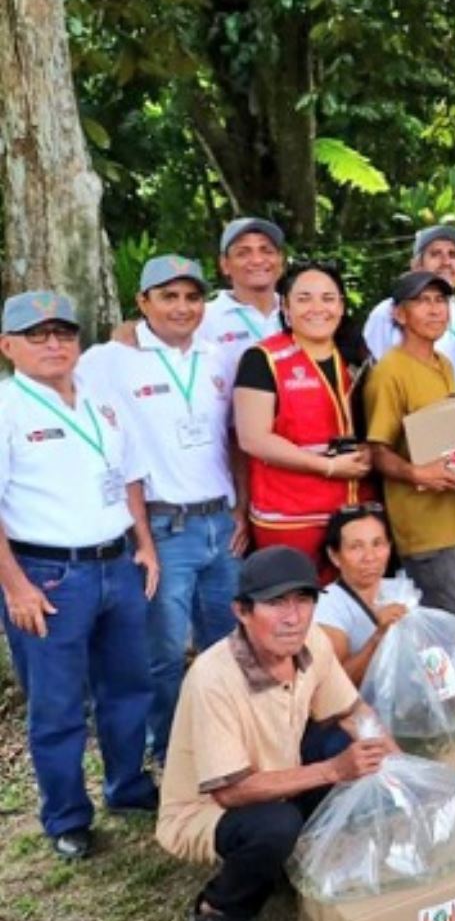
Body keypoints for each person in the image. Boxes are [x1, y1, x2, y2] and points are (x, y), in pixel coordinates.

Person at [156, 546, 396, 921]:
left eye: (303, 600)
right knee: (277, 823)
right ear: (242, 612)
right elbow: (231, 791)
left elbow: (352, 712)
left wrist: (405, 769)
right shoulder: (213, 679)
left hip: (277, 777)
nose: (293, 617)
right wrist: (334, 772)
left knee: (345, 745)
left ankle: (293, 858)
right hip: (207, 807)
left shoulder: (312, 642)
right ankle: (217, 914)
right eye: (275, 603)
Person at [1, 291, 161, 861]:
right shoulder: (6, 408)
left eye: (63, 333)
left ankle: (128, 786)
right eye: (37, 334)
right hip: (47, 577)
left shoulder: (100, 401)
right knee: (59, 704)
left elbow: (131, 477)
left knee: (127, 688)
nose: (53, 344)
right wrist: (15, 585)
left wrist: (145, 545)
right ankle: (67, 815)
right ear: (7, 345)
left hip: (116, 564)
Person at [80, 255, 243, 765]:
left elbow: (234, 437)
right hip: (163, 526)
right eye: (168, 296)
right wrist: (141, 536)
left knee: (228, 643)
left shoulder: (217, 356)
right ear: (143, 302)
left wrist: (243, 508)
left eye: (192, 297)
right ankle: (172, 749)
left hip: (222, 521)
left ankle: (227, 740)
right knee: (165, 652)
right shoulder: (110, 360)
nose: (182, 307)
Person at [361, 270, 455, 627]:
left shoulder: (444, 365)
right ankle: (447, 685)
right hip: (426, 525)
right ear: (400, 314)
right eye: (423, 301)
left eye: (440, 301)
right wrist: (416, 473)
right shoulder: (389, 372)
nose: (435, 310)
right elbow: (378, 450)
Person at [232, 261, 371, 567]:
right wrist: (329, 467)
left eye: (328, 298)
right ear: (285, 306)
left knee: (352, 612)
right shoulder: (262, 359)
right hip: (291, 517)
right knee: (296, 609)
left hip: (356, 515)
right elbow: (253, 439)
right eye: (304, 298)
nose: (317, 308)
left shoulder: (357, 356)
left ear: (342, 305)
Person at [361, 225, 455, 380]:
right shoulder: (388, 310)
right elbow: (375, 369)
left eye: (453, 254)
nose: (446, 262)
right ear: (416, 266)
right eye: (435, 254)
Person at [313, 505, 409, 686]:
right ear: (334, 556)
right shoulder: (327, 606)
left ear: (389, 546)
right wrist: (378, 637)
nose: (370, 557)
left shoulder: (402, 591)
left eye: (377, 544)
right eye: (356, 547)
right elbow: (334, 685)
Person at [198, 217, 286, 375]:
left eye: (267, 250)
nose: (257, 260)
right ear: (225, 264)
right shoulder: (202, 318)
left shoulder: (300, 312)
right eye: (243, 253)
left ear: (281, 261)